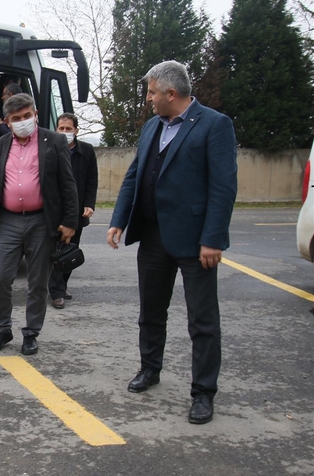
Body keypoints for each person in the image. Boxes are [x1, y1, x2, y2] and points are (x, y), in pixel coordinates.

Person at [107, 60, 237, 425]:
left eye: (151, 92)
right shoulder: (152, 126)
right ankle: (150, 369)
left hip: (196, 242)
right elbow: (134, 175)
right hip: (152, 237)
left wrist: (213, 239)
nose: (148, 98)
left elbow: (224, 188)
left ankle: (203, 393)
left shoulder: (215, 125)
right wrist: (119, 220)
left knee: (203, 321)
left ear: (171, 93)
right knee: (150, 311)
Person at [0, 93, 79, 355]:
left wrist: (71, 222)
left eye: (27, 116)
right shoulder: (1, 144)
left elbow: (68, 184)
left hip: (41, 221)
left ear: (35, 114)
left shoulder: (54, 140)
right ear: (7, 122)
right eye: (16, 119)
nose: (23, 121)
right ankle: (2, 329)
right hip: (8, 220)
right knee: (0, 277)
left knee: (38, 282)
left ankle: (31, 333)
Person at [48, 113, 98, 309]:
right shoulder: (50, 149)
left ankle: (62, 285)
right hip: (54, 210)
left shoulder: (86, 151)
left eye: (69, 129)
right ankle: (56, 291)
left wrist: (89, 203)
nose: (65, 132)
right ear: (56, 130)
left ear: (76, 131)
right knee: (55, 251)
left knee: (70, 250)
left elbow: (92, 180)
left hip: (77, 210)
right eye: (61, 129)